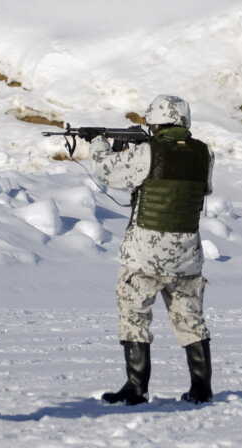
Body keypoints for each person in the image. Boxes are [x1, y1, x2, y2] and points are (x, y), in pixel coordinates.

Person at [90, 95, 215, 404]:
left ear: (155, 121)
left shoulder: (148, 150)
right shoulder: (203, 153)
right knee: (190, 318)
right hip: (187, 251)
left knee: (134, 315)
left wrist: (98, 145)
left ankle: (136, 387)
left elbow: (109, 173)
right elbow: (203, 188)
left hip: (146, 251)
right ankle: (201, 388)